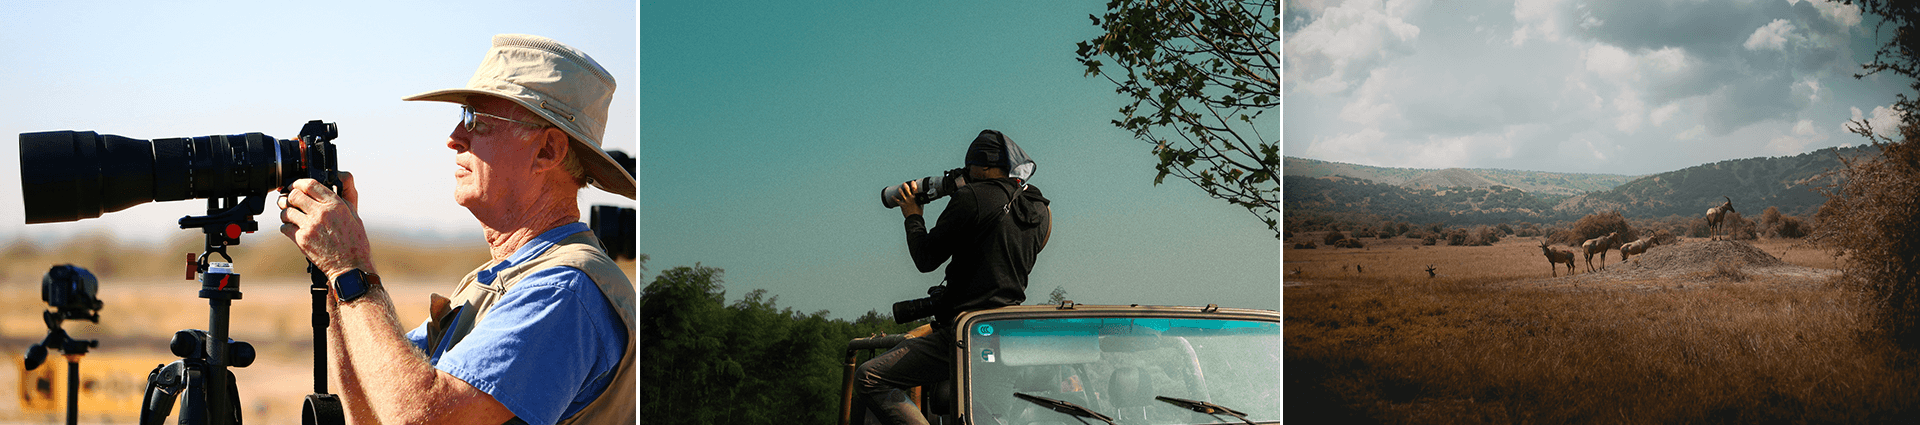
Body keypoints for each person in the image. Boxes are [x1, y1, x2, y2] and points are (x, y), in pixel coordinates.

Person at [276, 34, 636, 425]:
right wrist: (333, 272)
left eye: (475, 119)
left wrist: (350, 267)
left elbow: (421, 416)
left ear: (547, 151)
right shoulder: (510, 278)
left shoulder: (564, 289)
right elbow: (370, 409)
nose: (454, 138)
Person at [855, 130, 1052, 425]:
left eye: (971, 165)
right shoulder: (1041, 208)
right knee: (985, 416)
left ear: (984, 167)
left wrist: (912, 215)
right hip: (1007, 332)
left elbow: (925, 259)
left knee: (869, 377)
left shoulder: (971, 198)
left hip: (965, 332)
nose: (967, 172)